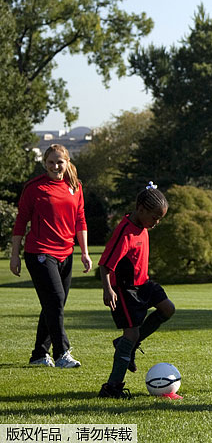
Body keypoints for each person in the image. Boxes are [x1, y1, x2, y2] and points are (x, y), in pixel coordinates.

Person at [11, 144, 92, 368]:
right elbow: (20, 222)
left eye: (60, 162)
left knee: (53, 304)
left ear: (67, 162)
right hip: (40, 252)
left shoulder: (75, 187)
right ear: (44, 163)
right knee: (55, 300)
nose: (56, 166)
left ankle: (39, 354)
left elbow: (80, 220)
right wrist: (14, 255)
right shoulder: (34, 188)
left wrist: (84, 252)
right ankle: (62, 353)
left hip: (66, 253)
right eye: (51, 162)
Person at [98, 183, 176, 399]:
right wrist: (108, 290)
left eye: (160, 218)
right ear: (140, 209)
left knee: (168, 309)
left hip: (144, 285)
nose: (156, 223)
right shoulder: (125, 232)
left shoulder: (143, 226)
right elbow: (104, 264)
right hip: (125, 289)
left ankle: (129, 345)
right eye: (155, 217)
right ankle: (112, 387)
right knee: (130, 334)